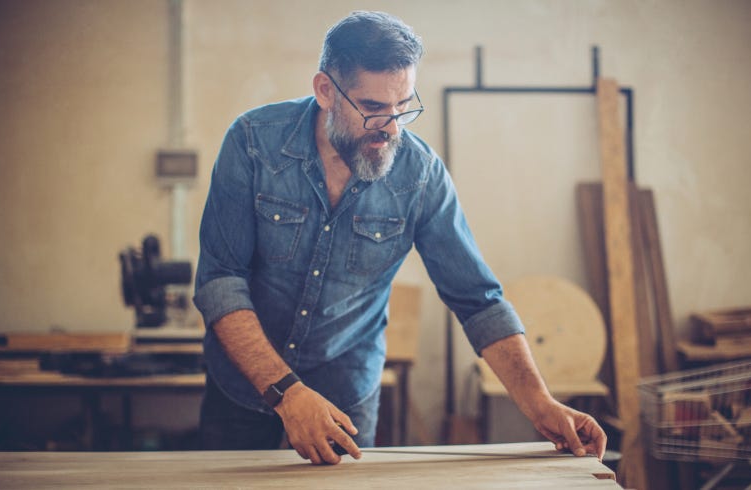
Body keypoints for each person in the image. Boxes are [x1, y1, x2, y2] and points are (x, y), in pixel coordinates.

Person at [194, 10, 607, 465]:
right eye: (372, 109)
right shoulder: (253, 142)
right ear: (325, 91)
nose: (391, 127)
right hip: (243, 382)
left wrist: (539, 403)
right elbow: (220, 281)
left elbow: (478, 300)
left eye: (403, 107)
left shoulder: (420, 174)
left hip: (345, 390)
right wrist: (286, 392)